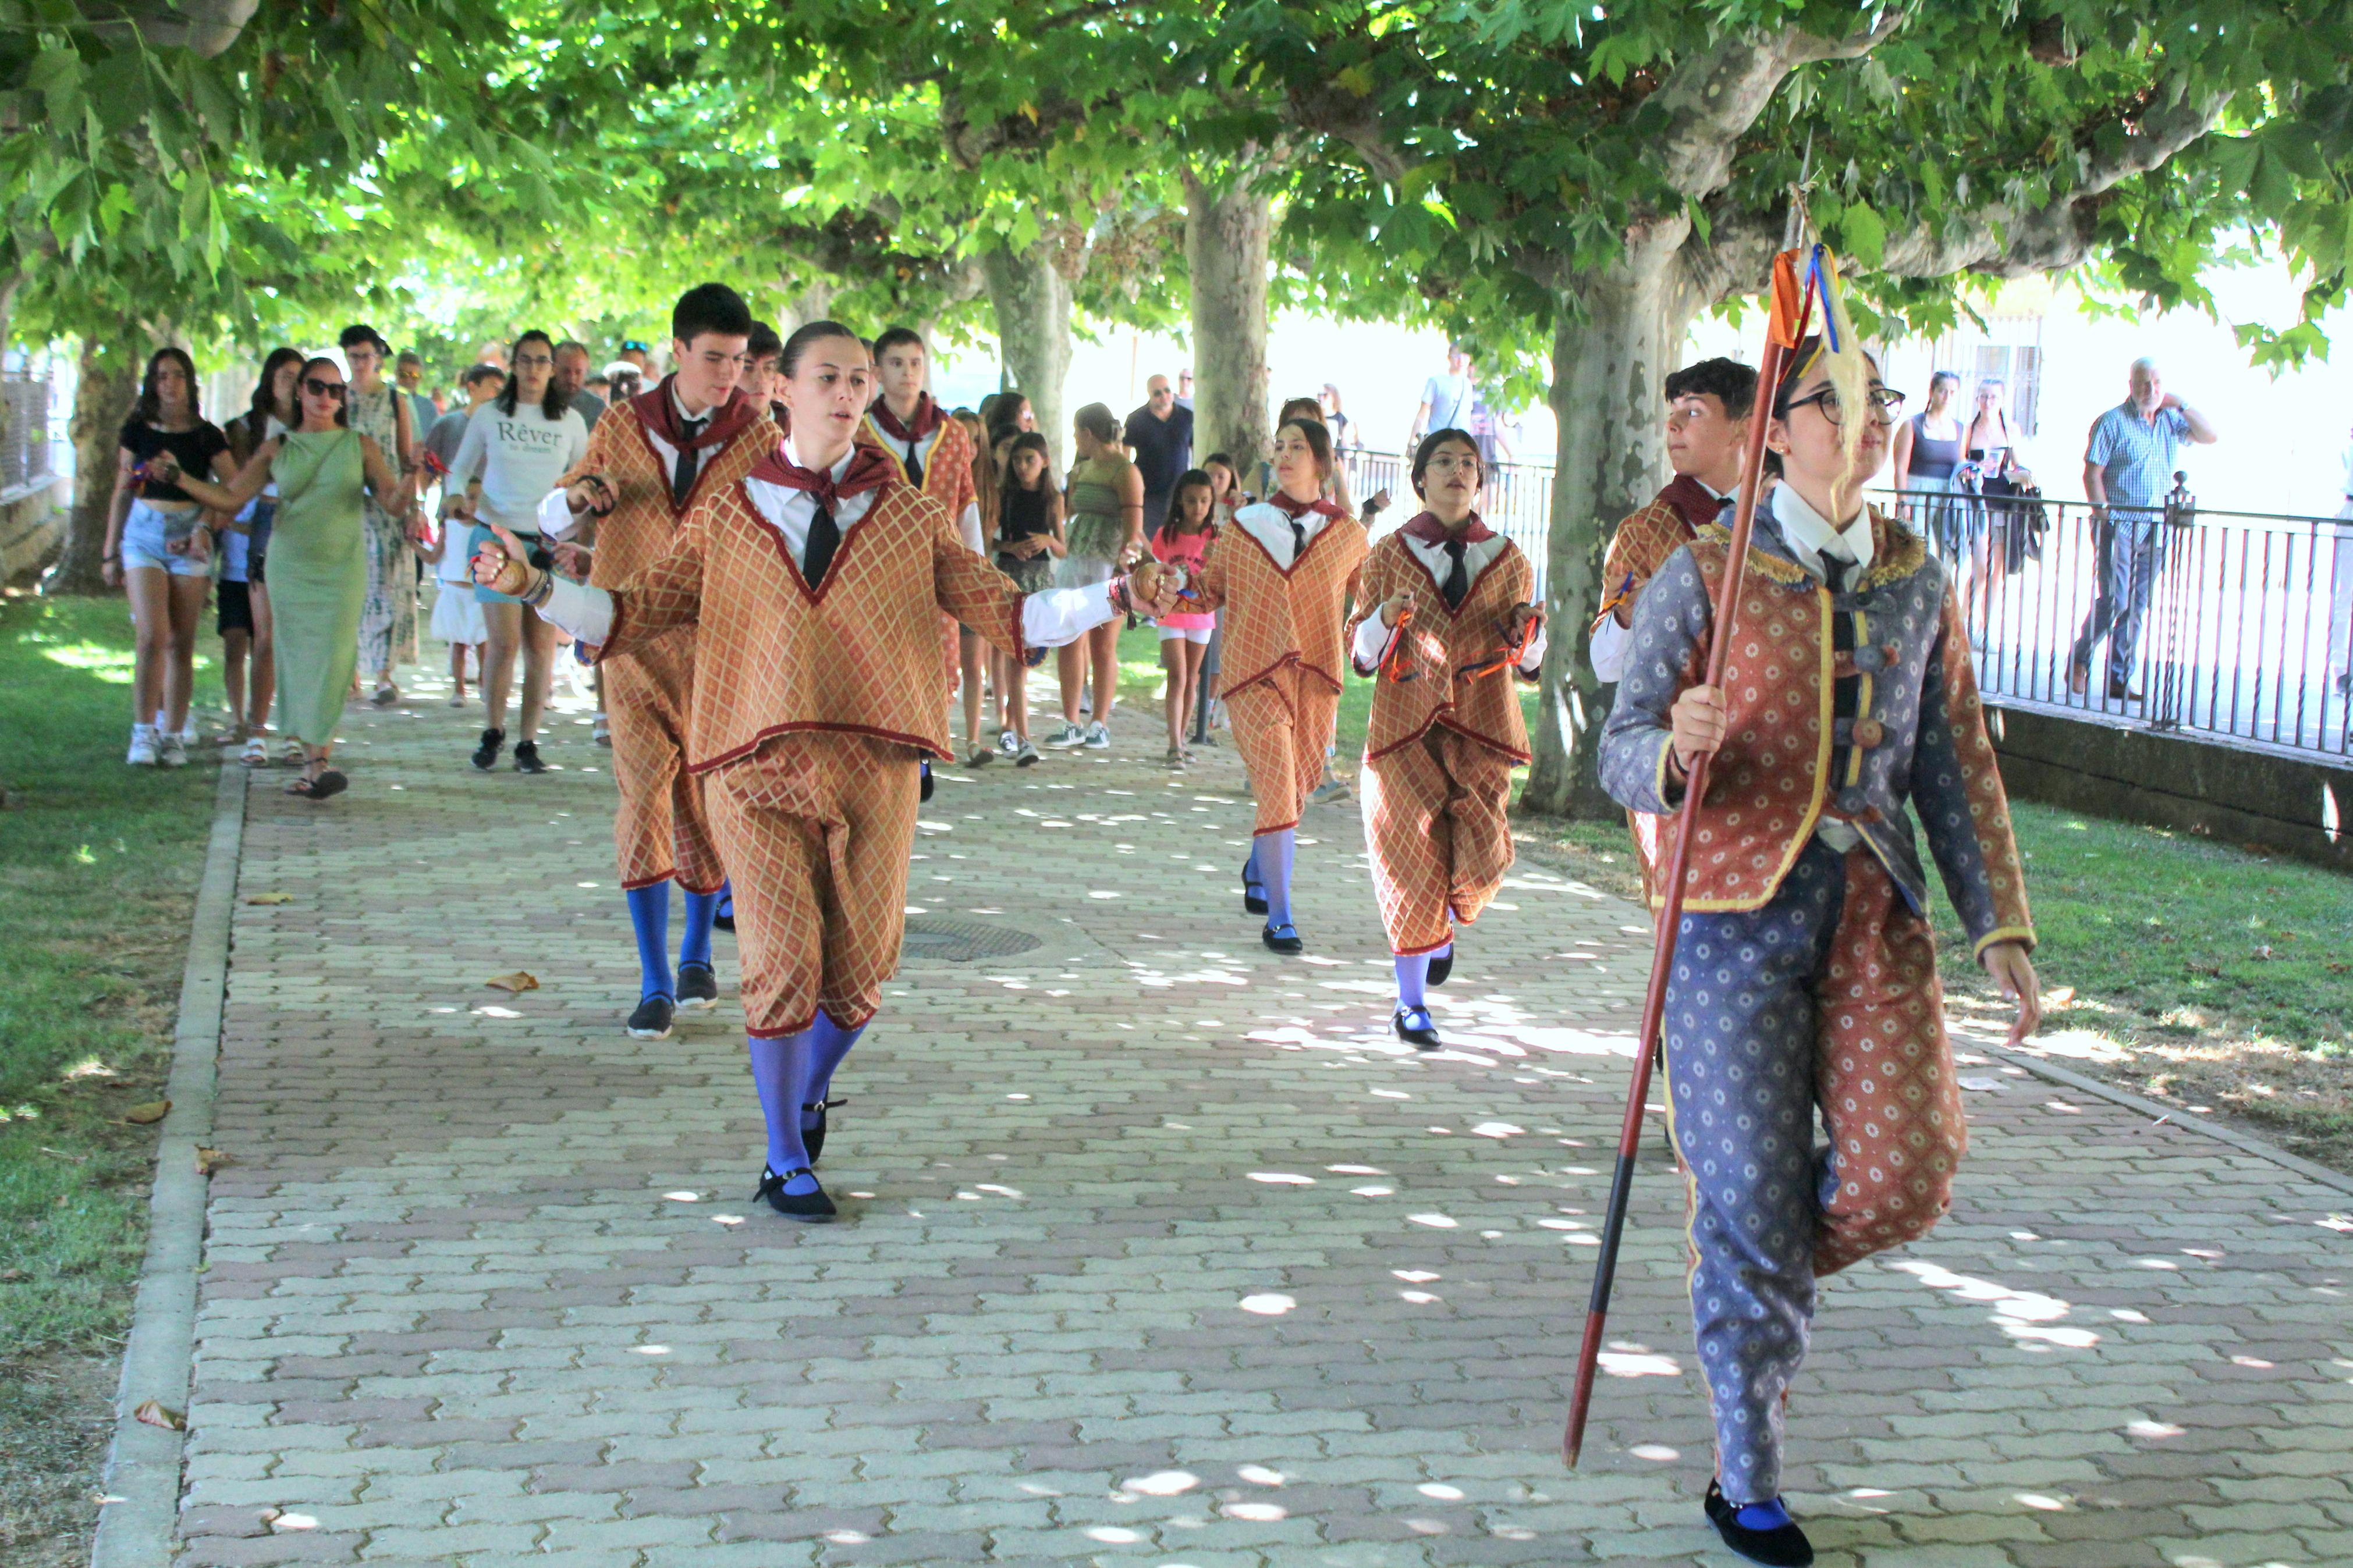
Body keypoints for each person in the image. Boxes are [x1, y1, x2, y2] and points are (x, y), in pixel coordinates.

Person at [469, 319, 1173, 1223]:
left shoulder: (910, 514)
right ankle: (782, 1154)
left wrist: (1113, 593)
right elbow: (631, 611)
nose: (847, 392)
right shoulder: (730, 513)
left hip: (875, 764)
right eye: (827, 377)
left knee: (858, 977)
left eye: (857, 378)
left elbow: (1006, 611)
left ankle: (805, 1090)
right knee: (780, 958)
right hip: (752, 767)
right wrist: (534, 585)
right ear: (782, 393)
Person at [1600, 335, 2040, 1566]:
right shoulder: (1702, 571)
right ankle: (1745, 1472)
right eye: (1830, 403)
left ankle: (1755, 1265)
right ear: (1774, 432)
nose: (1861, 422)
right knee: (1740, 1196)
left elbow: (1953, 759)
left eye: (1876, 403)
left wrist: (1995, 922)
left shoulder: (1913, 575)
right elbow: (1616, 744)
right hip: (1727, 921)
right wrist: (1672, 749)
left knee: (1905, 1170)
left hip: (1871, 916)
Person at [542, 283, 776, 1041]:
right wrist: (582, 496)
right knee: (642, 791)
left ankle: (696, 950)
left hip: (721, 646)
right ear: (676, 350)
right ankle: (653, 979)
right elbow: (554, 512)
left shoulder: (759, 434)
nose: (725, 375)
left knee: (706, 802)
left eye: (738, 361)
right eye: (713, 358)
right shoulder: (621, 422)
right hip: (631, 638)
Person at [1347, 430, 1543, 1048]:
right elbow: (1359, 653)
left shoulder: (1509, 558)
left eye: (1468, 464)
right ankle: (1411, 1005)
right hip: (1402, 731)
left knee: (1483, 861)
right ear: (1419, 480)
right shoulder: (1385, 554)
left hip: (1484, 730)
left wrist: (1527, 632)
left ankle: (1441, 930)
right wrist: (1382, 619)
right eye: (1443, 463)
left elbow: (1530, 660)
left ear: (1480, 480)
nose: (1457, 472)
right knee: (1408, 866)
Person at [152, 357, 412, 799]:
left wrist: (414, 473)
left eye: (334, 390)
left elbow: (392, 502)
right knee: (297, 658)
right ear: (299, 392)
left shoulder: (360, 445)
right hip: (289, 565)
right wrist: (181, 478)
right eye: (316, 387)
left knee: (335, 660)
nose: (325, 397)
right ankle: (316, 766)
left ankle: (316, 762)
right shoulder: (278, 448)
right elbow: (230, 498)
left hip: (342, 568)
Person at [1181, 417, 1368, 953]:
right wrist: (1157, 587)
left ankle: (1260, 864)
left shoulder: (1348, 535)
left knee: (1294, 786)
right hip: (1251, 673)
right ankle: (1280, 918)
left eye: (1298, 448)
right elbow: (1207, 590)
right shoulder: (1246, 525)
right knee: (1278, 781)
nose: (1284, 456)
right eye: (1279, 447)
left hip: (1316, 678)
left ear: (1322, 462)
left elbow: (1370, 606)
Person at [1589, 356, 1758, 897]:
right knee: (1679, 918)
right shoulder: (1645, 531)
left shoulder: (1780, 517)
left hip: (1764, 744)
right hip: (1673, 756)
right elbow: (1604, 662)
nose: (1674, 426)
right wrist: (1626, 614)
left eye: (1693, 412)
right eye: (1671, 414)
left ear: (1743, 426)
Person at [446, 329, 591, 774]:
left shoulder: (569, 422)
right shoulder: (489, 415)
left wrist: (581, 540)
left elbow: (583, 479)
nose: (533, 370)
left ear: (552, 368)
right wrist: (454, 499)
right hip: (496, 540)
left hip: (548, 545)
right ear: (513, 365)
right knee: (503, 645)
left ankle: (528, 741)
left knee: (540, 648)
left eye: (542, 361)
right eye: (525, 360)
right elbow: (460, 470)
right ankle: (492, 730)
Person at [860, 326, 989, 765]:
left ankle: (923, 754)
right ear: (877, 371)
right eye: (896, 364)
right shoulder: (861, 432)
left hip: (937, 573)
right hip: (876, 576)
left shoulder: (951, 434)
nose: (907, 373)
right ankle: (890, 753)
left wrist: (975, 573)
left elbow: (965, 505)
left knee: (940, 667)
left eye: (915, 363)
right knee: (879, 668)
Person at [104, 347, 237, 766]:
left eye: (178, 375)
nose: (170, 384)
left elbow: (232, 492)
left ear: (190, 381)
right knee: (151, 637)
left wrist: (204, 525)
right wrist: (110, 552)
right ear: (152, 383)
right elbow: (122, 489)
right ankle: (142, 732)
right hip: (143, 536)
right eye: (161, 376)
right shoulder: (138, 430)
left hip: (190, 538)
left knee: (182, 641)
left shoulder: (207, 436)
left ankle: (174, 733)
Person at [2068, 357, 2219, 702]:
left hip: (2156, 528)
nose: (2150, 390)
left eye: (2156, 384)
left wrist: (2181, 403)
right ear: (2130, 385)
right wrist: (2104, 516)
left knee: (2137, 605)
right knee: (2116, 601)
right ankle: (2081, 655)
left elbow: (2210, 436)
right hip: (2118, 524)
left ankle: (2119, 678)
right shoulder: (2112, 422)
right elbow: (2092, 474)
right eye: (2142, 383)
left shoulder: (2170, 421)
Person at [222, 347, 303, 766]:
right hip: (264, 524)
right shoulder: (249, 429)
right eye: (284, 375)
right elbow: (235, 489)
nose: (292, 383)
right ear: (270, 380)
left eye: (298, 376)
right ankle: (257, 729)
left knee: (297, 639)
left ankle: (296, 729)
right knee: (265, 635)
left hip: (307, 526)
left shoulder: (319, 428)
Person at [1051, 403, 1145, 748]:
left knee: (1103, 645)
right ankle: (1071, 720)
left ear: (1088, 434)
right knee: (1069, 640)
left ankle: (1099, 724)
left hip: (1109, 566)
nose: (1076, 439)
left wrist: (1125, 568)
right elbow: (1072, 511)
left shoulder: (1124, 471)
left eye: (1077, 433)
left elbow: (1134, 529)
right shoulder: (1082, 470)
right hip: (1078, 561)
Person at [340, 325, 423, 708]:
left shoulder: (394, 400)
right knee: (350, 586)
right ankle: (350, 671)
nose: (360, 363)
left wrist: (415, 507)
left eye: (366, 356)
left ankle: (384, 673)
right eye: (353, 355)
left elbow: (408, 457)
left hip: (388, 499)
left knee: (385, 585)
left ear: (379, 357)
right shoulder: (335, 397)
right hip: (346, 501)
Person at [425, 364, 505, 705]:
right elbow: (428, 471)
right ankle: (459, 677)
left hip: (493, 517)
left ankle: (488, 680)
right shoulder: (448, 425)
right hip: (457, 519)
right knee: (460, 607)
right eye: (491, 387)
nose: (497, 395)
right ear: (472, 387)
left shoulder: (503, 426)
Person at [991, 431, 1062, 765]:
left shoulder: (1053, 499)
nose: (1022, 467)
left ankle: (1011, 725)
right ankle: (1023, 739)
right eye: (1017, 460)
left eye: (1029, 460)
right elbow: (989, 540)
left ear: (1044, 462)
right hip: (1009, 578)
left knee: (1026, 659)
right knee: (1015, 659)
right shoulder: (1003, 495)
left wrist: (1047, 540)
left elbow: (1063, 546)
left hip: (1039, 581)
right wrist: (1010, 547)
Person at [1150, 470, 1219, 767]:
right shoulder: (1166, 535)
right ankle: (1174, 744)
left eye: (1204, 501)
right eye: (1192, 500)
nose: (1198, 507)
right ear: (1180, 500)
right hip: (1171, 612)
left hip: (1202, 615)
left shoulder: (1215, 537)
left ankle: (1181, 737)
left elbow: (1219, 574)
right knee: (1176, 676)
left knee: (1192, 678)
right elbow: (1156, 570)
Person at [1959, 378, 2033, 626]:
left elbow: (2018, 462)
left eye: (1993, 397)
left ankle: (1987, 627)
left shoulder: (2011, 429)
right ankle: (1964, 620)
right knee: (1981, 567)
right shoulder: (1968, 430)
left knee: (1997, 571)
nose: (1988, 402)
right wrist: (1971, 469)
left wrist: (2024, 473)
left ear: (2002, 400)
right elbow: (1959, 464)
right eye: (1983, 396)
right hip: (1976, 501)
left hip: (2001, 502)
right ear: (1977, 399)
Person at [1891, 370, 1965, 556]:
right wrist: (1903, 502)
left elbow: (1961, 462)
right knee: (1918, 548)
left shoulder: (1960, 428)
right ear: (1932, 391)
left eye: (1953, 392)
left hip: (1948, 494)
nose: (1947, 396)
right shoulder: (1913, 424)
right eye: (1943, 390)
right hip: (1918, 490)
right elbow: (1901, 467)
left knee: (1947, 548)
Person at [1123, 374, 1194, 536]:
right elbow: (1125, 454)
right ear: (1149, 395)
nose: (1164, 396)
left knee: (1178, 538)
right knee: (1150, 540)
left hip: (1180, 492)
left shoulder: (1187, 417)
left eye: (1167, 390)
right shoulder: (1136, 420)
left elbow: (1195, 451)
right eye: (1158, 393)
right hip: (1148, 494)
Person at [1407, 341, 1475, 448]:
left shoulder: (1468, 385)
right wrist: (1411, 442)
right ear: (1449, 357)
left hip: (1461, 444)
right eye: (1457, 356)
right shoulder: (1436, 381)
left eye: (1465, 356)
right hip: (1437, 442)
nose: (1461, 360)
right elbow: (1422, 414)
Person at [555, 340, 607, 430]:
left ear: (587, 371)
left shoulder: (596, 407)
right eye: (566, 372)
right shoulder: (536, 399)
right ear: (553, 369)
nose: (572, 378)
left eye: (578, 372)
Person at [741, 321, 783, 419]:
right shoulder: (707, 428)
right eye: (747, 368)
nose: (761, 379)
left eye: (768, 368)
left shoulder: (795, 426)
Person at [395, 351, 438, 439]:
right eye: (403, 375)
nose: (408, 380)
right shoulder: (385, 402)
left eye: (414, 376)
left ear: (421, 378)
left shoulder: (429, 407)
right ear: (396, 374)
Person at [1317, 384, 1356, 451]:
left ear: (1334, 397)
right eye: (1319, 395)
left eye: (1325, 395)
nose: (1321, 398)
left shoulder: (1342, 420)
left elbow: (1346, 445)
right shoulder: (1315, 416)